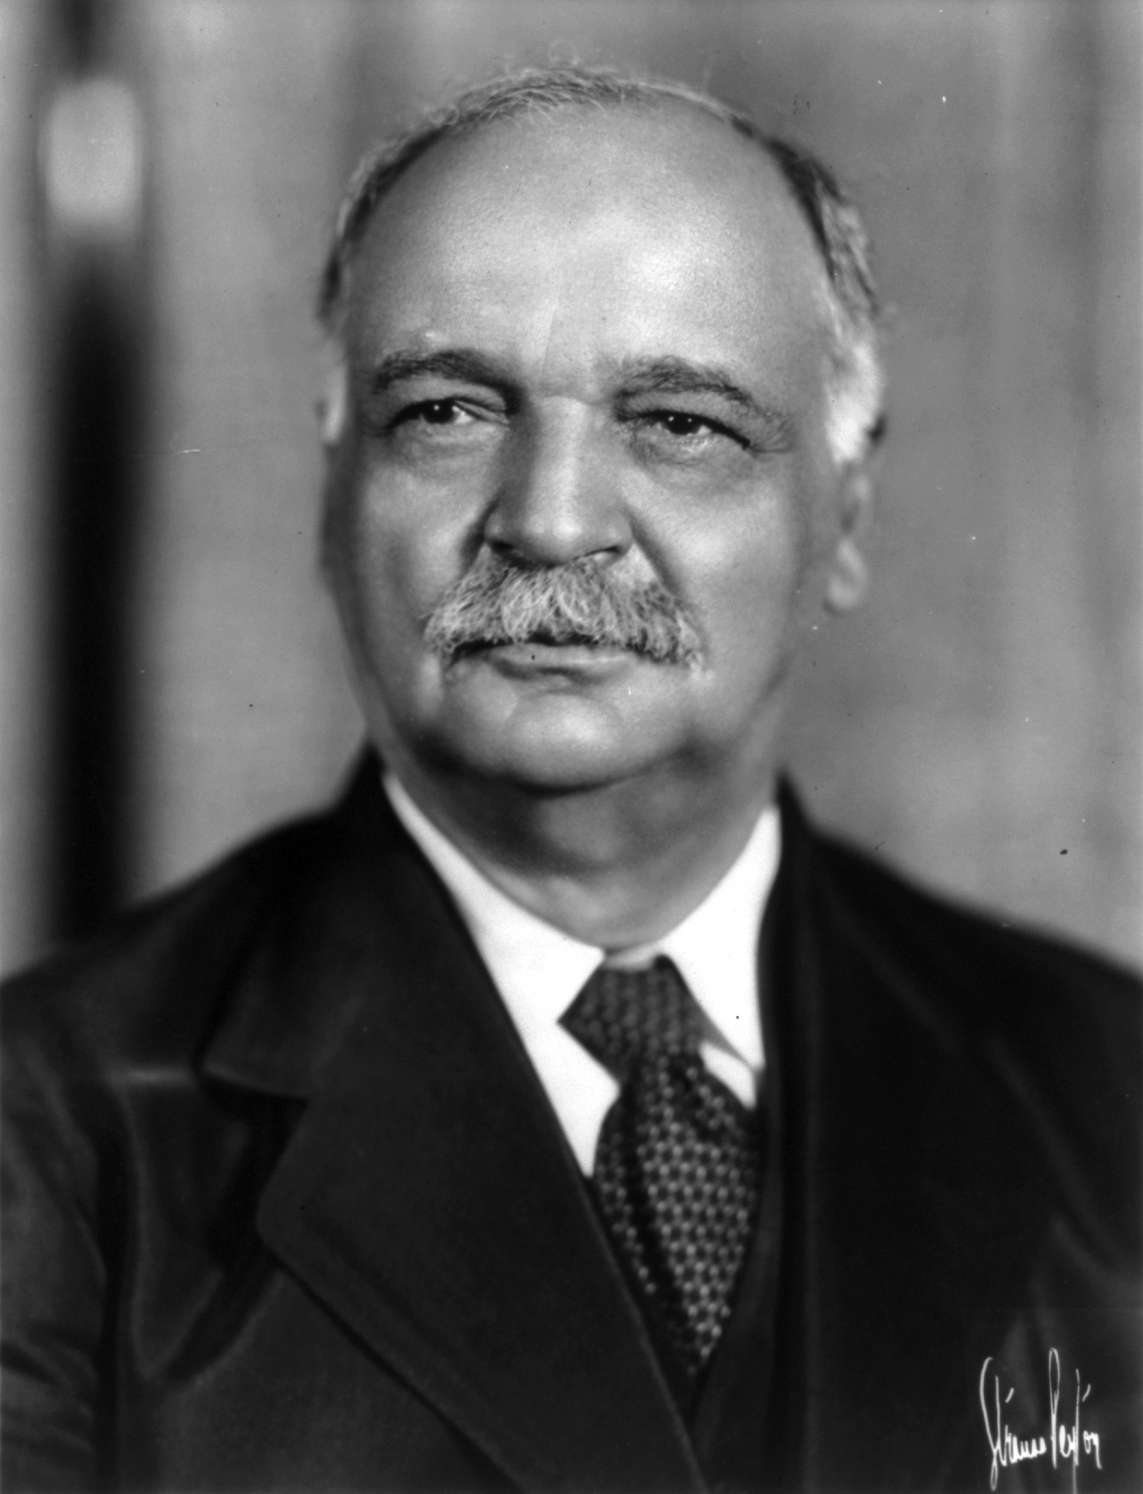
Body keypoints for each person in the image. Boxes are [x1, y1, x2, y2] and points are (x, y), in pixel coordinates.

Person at [2, 66, 1139, 1494]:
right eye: (447, 412)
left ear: (845, 515)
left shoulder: (1110, 1091)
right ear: (332, 492)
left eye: (678, 424)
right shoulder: (43, 1133)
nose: (548, 522)